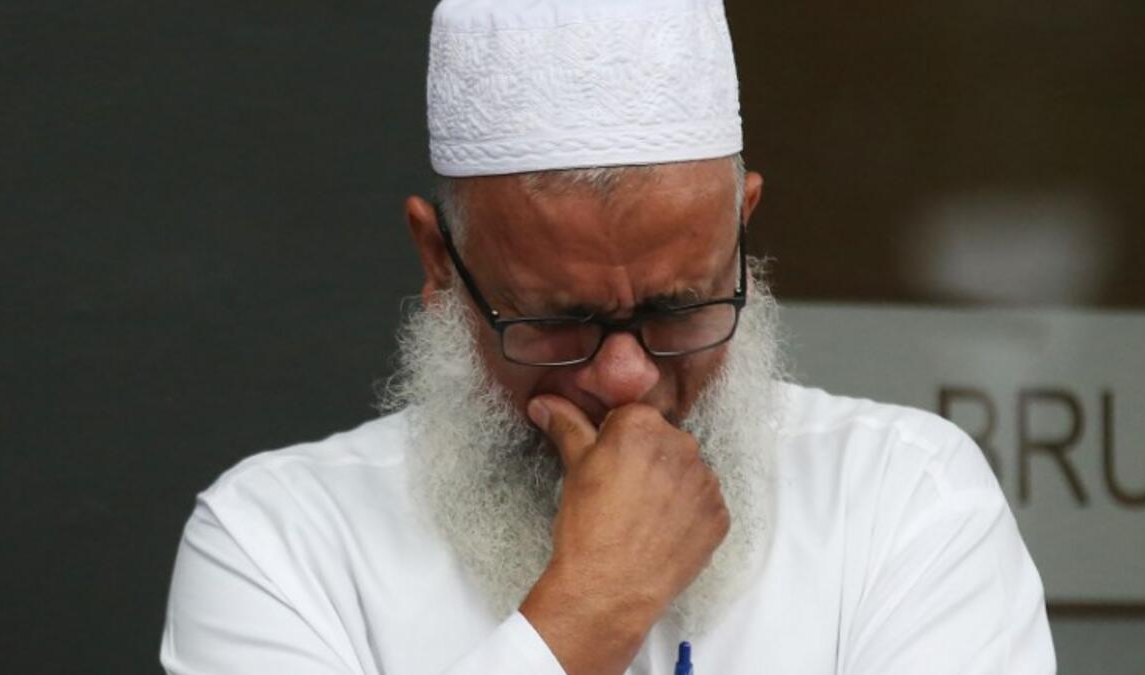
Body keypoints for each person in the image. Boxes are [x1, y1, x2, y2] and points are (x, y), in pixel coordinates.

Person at [160, 1, 1056, 673]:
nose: (626, 378)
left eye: (676, 309)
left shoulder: (906, 501)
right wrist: (586, 611)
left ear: (740, 237)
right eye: (556, 320)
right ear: (439, 263)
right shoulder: (280, 545)